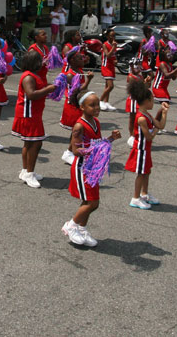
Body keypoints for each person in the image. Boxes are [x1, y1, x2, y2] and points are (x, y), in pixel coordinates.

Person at [61, 90, 121, 247]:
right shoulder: (79, 126)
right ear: (82, 107)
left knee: (89, 201)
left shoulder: (96, 122)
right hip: (82, 168)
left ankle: (82, 229)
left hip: (92, 168)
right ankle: (71, 225)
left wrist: (110, 139)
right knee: (92, 203)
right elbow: (75, 151)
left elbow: (98, 143)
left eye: (98, 104)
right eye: (92, 105)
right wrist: (92, 149)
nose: (97, 108)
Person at [11, 50, 57, 188]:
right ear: (34, 62)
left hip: (33, 114)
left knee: (29, 143)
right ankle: (29, 174)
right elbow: (31, 94)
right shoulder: (28, 77)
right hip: (28, 114)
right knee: (36, 144)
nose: (42, 62)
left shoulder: (34, 75)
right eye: (40, 60)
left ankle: (25, 171)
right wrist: (50, 89)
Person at [124, 79, 168, 210]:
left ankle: (144, 193)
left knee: (147, 171)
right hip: (141, 149)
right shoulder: (142, 118)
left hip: (146, 149)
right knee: (141, 173)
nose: (153, 102)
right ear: (147, 100)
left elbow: (160, 125)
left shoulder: (147, 114)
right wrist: (155, 130)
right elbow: (149, 136)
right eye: (153, 100)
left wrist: (164, 113)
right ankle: (135, 198)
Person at [60, 47, 93, 164]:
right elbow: (77, 91)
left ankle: (71, 151)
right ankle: (69, 152)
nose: (83, 59)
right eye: (80, 58)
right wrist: (88, 80)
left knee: (78, 131)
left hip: (79, 105)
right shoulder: (70, 75)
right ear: (73, 61)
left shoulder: (79, 70)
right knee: (76, 131)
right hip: (72, 106)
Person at [99, 28, 117, 112]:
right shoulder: (105, 44)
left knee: (107, 86)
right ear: (107, 36)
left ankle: (106, 102)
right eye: (111, 36)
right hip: (106, 66)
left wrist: (115, 60)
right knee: (111, 86)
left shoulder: (114, 44)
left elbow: (113, 56)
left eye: (114, 36)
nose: (112, 38)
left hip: (111, 66)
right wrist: (113, 47)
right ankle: (100, 101)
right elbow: (108, 55)